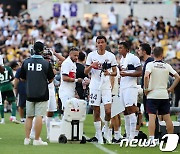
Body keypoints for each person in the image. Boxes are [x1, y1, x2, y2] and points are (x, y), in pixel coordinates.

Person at [20, 41, 54, 146]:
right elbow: (51, 79)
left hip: (30, 92)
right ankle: (37, 139)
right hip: (42, 92)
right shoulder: (46, 63)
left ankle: (27, 139)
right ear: (42, 50)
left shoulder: (26, 62)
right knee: (39, 115)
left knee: (29, 116)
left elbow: (22, 77)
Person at [84, 35, 117, 144]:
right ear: (96, 44)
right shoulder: (91, 55)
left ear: (105, 43)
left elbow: (115, 72)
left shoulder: (111, 56)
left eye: (102, 42)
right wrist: (91, 66)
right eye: (98, 42)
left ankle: (106, 129)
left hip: (106, 86)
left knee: (108, 110)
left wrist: (109, 73)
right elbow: (85, 72)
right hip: (94, 86)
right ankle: (99, 135)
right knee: (96, 110)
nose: (100, 44)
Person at [144, 47, 180, 142]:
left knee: (152, 116)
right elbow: (177, 77)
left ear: (153, 54)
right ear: (162, 55)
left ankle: (152, 139)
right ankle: (171, 138)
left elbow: (146, 76)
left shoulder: (150, 64)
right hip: (164, 94)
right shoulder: (167, 66)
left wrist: (146, 89)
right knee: (167, 118)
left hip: (152, 94)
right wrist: (171, 88)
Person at [118, 41, 142, 141]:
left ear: (127, 49)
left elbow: (140, 72)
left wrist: (127, 74)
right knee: (125, 111)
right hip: (123, 87)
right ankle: (127, 135)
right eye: (118, 48)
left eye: (121, 48)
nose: (119, 49)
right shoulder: (122, 59)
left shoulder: (133, 58)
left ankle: (132, 136)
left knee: (131, 109)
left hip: (131, 87)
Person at [137, 43, 154, 126]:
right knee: (149, 114)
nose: (138, 51)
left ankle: (154, 136)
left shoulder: (150, 62)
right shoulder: (148, 61)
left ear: (144, 52)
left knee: (151, 115)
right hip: (148, 91)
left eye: (139, 50)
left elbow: (149, 76)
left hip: (149, 91)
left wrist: (146, 89)